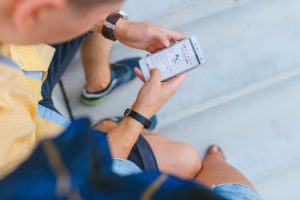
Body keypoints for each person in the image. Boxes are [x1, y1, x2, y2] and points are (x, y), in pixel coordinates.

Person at [0, 0, 263, 199]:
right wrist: (140, 112)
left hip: (29, 79)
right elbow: (83, 171)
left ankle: (101, 91)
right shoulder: (9, 138)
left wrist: (115, 26)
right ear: (31, 11)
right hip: (36, 127)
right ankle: (106, 124)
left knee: (184, 158)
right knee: (187, 160)